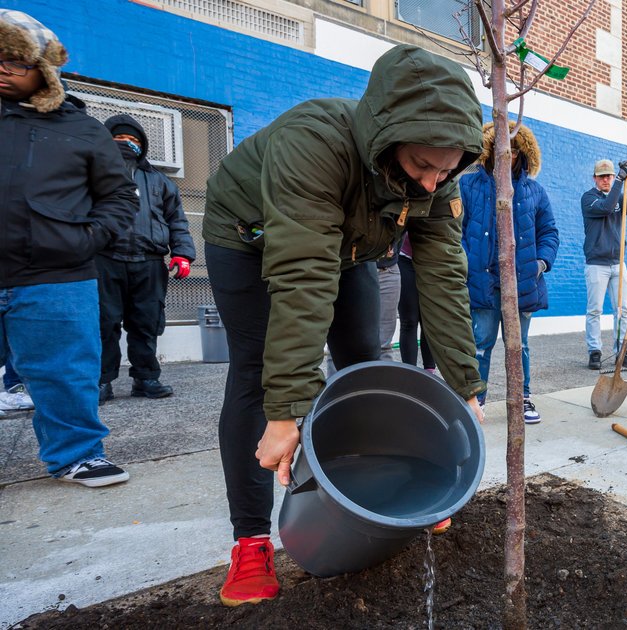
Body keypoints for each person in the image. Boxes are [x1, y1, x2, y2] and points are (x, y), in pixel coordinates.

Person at [202, 44, 486, 607]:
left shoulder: (438, 170)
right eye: (422, 167)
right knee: (260, 376)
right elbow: (302, 279)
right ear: (387, 141)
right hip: (251, 240)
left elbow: (443, 277)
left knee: (364, 360)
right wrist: (285, 412)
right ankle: (252, 539)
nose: (433, 183)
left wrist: (465, 387)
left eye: (446, 169)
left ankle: (377, 492)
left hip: (349, 249)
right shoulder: (314, 141)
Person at [0, 10, 136, 486]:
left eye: (14, 61)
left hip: (56, 273)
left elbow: (120, 195)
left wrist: (88, 239)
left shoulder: (82, 128)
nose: (2, 69)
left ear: (44, 69)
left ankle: (77, 454)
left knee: (65, 371)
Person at [460, 121, 559, 425]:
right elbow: (456, 231)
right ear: (489, 149)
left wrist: (540, 264)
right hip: (483, 281)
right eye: (503, 148)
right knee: (480, 342)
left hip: (523, 283)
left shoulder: (534, 192)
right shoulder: (468, 186)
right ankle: (478, 399)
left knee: (520, 345)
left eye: (515, 149)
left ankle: (523, 396)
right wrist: (465, 263)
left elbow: (549, 233)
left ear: (522, 153)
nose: (509, 154)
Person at [96, 114, 196, 404]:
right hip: (105, 258)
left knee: (146, 323)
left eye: (134, 140)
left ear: (143, 145)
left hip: (150, 262)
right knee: (104, 323)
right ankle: (102, 381)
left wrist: (183, 254)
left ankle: (146, 378)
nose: (127, 144)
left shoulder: (160, 182)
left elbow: (177, 220)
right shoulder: (93, 174)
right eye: (119, 139)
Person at [581, 158, 627, 370]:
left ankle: (622, 351)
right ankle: (594, 351)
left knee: (622, 310)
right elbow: (607, 207)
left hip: (618, 262)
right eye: (602, 176)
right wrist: (619, 179)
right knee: (595, 310)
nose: (606, 180)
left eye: (609, 175)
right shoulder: (588, 198)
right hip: (597, 263)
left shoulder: (618, 196)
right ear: (595, 178)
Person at [379, 233, 437, 370]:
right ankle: (410, 373)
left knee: (429, 320)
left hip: (431, 261)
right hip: (405, 259)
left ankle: (430, 372)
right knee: (409, 320)